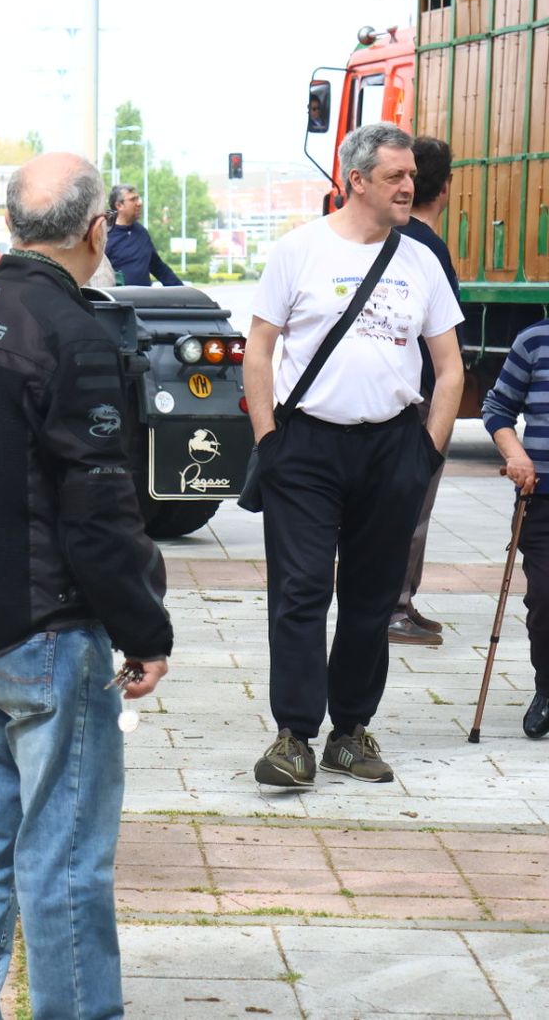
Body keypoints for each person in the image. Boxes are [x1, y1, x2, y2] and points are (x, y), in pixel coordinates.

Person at [0, 150, 173, 1020]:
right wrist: (147, 627)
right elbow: (100, 509)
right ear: (98, 230)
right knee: (65, 854)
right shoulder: (76, 334)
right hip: (49, 627)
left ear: (12, 229)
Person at [245, 122, 463, 787]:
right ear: (356, 180)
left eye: (412, 176)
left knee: (371, 598)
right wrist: (270, 441)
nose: (410, 185)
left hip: (393, 445)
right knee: (301, 591)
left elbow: (449, 368)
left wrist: (425, 452)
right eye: (396, 175)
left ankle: (350, 730)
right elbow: (259, 350)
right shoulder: (298, 251)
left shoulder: (420, 260)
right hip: (306, 445)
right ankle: (293, 735)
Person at [388, 136, 462, 646]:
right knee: (413, 509)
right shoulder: (426, 248)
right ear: (447, 188)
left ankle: (400, 601)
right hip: (421, 399)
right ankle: (396, 606)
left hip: (406, 396)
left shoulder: (402, 238)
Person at [483, 320, 549, 737]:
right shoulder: (533, 341)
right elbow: (498, 408)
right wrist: (516, 454)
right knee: (545, 597)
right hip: (542, 498)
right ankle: (547, 688)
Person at [104, 183, 182, 286]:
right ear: (119, 205)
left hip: (143, 300)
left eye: (138, 198)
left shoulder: (141, 233)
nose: (139, 203)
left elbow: (158, 267)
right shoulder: (104, 234)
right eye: (133, 200)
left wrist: (183, 291)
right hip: (116, 300)